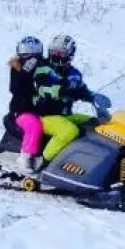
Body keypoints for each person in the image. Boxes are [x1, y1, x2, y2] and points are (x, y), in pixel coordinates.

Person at [30, 34, 107, 169]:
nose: (57, 55)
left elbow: (82, 90)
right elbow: (42, 87)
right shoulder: (42, 68)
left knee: (96, 124)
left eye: (62, 53)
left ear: (70, 55)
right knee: (69, 130)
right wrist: (59, 91)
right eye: (54, 51)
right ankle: (42, 163)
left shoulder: (73, 74)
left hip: (64, 115)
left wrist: (94, 97)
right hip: (42, 116)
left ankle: (86, 164)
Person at [4, 35, 46, 171]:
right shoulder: (17, 69)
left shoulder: (43, 68)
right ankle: (26, 158)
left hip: (41, 111)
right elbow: (16, 88)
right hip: (21, 112)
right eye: (26, 54)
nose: (31, 59)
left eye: (34, 55)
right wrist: (25, 72)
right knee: (34, 126)